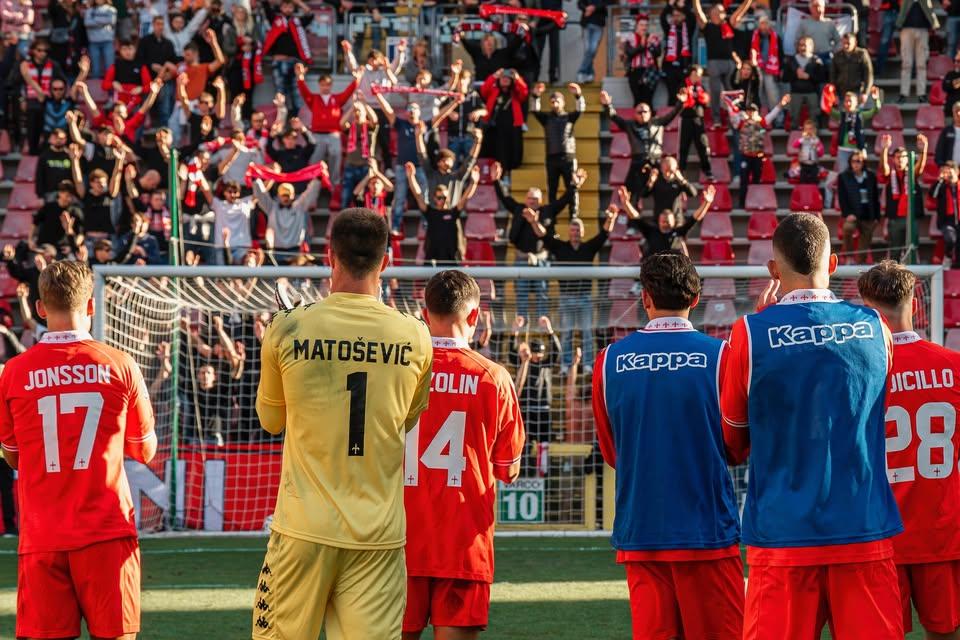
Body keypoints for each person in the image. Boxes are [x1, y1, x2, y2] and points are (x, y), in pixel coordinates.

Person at [251, 208, 432, 639]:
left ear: (329, 256)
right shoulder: (416, 336)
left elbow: (271, 420)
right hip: (378, 536)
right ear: (386, 262)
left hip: (302, 530)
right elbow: (405, 420)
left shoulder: (289, 328)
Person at [721, 213, 903, 639]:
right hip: (862, 526)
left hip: (782, 534)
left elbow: (732, 439)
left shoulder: (750, 332)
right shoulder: (876, 327)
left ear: (773, 269)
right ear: (833, 264)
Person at [0, 259, 156, 639]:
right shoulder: (120, 364)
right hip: (107, 533)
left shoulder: (14, 372)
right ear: (91, 305)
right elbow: (145, 451)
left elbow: (12, 456)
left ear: (40, 308)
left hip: (42, 537)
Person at [593, 251, 743, 640]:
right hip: (706, 531)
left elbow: (613, 453)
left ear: (645, 297)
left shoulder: (608, 361)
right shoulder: (721, 356)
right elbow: (737, 446)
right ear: (696, 298)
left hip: (641, 529)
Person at [402, 270, 525, 640]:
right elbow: (508, 470)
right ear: (475, 315)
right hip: (463, 543)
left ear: (425, 313)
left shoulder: (398, 372)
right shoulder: (494, 378)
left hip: (398, 541)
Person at [857, 261, 960, 640]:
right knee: (945, 633)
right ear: (915, 305)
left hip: (881, 533)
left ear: (867, 312)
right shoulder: (954, 366)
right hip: (942, 529)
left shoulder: (858, 373)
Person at [530, 206, 617, 373]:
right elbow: (543, 235)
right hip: (566, 298)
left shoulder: (588, 248)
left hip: (585, 298)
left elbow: (604, 234)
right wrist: (534, 222)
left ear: (582, 232)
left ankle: (588, 364)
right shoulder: (560, 247)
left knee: (587, 334)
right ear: (569, 232)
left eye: (578, 230)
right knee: (567, 334)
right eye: (573, 230)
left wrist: (611, 218)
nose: (575, 233)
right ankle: (565, 365)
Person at [599, 88, 683, 208]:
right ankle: (631, 217)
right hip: (638, 162)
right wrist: (608, 105)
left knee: (665, 187)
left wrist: (680, 102)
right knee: (629, 192)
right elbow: (614, 117)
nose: (643, 114)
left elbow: (672, 115)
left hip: (656, 162)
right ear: (635, 114)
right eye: (639, 112)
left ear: (650, 113)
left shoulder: (657, 123)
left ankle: (664, 215)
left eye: (645, 111)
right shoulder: (630, 125)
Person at [296, 62, 359, 210]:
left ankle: (334, 187)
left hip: (333, 134)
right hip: (317, 135)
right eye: (323, 84)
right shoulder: (314, 99)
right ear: (319, 85)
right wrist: (300, 78)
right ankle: (312, 192)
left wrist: (357, 79)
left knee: (336, 154)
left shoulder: (337, 99)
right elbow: (304, 92)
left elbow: (349, 92)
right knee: (314, 161)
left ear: (331, 86)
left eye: (328, 85)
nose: (325, 87)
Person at [406, 162, 479, 264]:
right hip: (432, 257)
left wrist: (474, 183)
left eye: (444, 197)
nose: (442, 200)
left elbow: (465, 197)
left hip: (451, 256)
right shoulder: (430, 212)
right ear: (434, 198)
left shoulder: (453, 212)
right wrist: (411, 177)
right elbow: (418, 195)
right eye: (439, 197)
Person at [530, 81, 584, 218]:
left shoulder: (569, 118)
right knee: (552, 189)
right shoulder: (547, 118)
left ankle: (574, 213)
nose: (555, 104)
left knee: (572, 186)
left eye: (557, 101)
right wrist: (536, 96)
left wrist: (578, 95)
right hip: (551, 158)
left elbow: (580, 110)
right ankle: (551, 216)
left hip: (568, 157)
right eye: (552, 101)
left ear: (563, 103)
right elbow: (535, 111)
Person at [692, 0, 753, 121]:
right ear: (711, 14)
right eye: (716, 12)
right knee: (715, 92)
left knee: (732, 92)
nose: (719, 14)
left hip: (729, 63)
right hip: (714, 63)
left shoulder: (728, 24)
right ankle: (716, 119)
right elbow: (698, 13)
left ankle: (734, 118)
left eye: (721, 12)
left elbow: (740, 11)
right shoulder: (707, 26)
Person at [624, 183, 717, 256]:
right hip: (655, 270)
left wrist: (707, 203)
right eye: (663, 221)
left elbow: (695, 218)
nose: (665, 223)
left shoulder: (679, 232)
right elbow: (635, 217)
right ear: (659, 221)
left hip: (674, 271)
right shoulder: (651, 231)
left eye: (668, 221)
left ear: (674, 222)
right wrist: (626, 203)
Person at [731, 96, 789, 209]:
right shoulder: (741, 122)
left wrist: (781, 104)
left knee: (756, 180)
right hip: (745, 155)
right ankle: (742, 203)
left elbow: (772, 114)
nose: (750, 113)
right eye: (749, 111)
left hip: (757, 156)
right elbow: (733, 114)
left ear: (756, 112)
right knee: (744, 181)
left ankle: (754, 201)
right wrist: (732, 103)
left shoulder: (761, 122)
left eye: (752, 111)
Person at [881, 133, 928, 263]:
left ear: (908, 159)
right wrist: (884, 149)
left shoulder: (912, 174)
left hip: (911, 218)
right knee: (895, 251)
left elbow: (920, 168)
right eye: (897, 157)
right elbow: (884, 169)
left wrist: (923, 151)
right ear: (893, 159)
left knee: (912, 249)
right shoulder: (891, 175)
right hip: (895, 219)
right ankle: (894, 274)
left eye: (903, 157)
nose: (900, 160)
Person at [262, 0, 314, 113]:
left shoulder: (298, 22)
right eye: (285, 6)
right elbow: (266, 6)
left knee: (297, 92)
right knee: (280, 92)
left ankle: (296, 118)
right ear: (281, 8)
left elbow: (310, 14)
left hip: (295, 62)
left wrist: (298, 2)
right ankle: (282, 117)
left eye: (290, 7)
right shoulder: (275, 20)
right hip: (279, 62)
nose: (287, 9)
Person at [837, 150, 881, 263]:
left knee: (865, 242)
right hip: (852, 214)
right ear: (850, 162)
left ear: (863, 163)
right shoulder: (843, 177)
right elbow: (842, 198)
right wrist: (848, 214)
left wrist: (877, 217)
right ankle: (849, 257)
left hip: (868, 214)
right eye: (853, 161)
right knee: (847, 228)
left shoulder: (871, 176)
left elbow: (875, 197)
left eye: (859, 161)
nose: (856, 164)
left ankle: (860, 264)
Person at [782, 36, 826, 130]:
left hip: (812, 92)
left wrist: (809, 76)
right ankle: (794, 137)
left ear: (811, 46)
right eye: (800, 45)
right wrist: (795, 75)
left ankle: (813, 136)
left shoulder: (816, 60)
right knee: (794, 119)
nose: (802, 48)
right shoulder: (791, 60)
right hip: (796, 93)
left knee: (814, 118)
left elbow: (822, 78)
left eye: (805, 45)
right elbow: (784, 78)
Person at [897, 0, 938, 103]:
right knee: (906, 64)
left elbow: (929, 11)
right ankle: (903, 93)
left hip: (922, 30)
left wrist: (933, 24)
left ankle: (921, 94)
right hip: (906, 30)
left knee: (921, 64)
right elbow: (902, 12)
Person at [677, 65, 711, 176]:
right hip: (686, 119)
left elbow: (706, 101)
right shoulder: (683, 85)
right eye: (698, 74)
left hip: (698, 119)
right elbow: (681, 101)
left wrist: (702, 97)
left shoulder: (701, 86)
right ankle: (681, 171)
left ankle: (707, 170)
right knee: (684, 146)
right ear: (692, 73)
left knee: (702, 145)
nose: (700, 77)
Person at [660, 0, 696, 104]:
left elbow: (692, 17)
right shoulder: (669, 29)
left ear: (683, 16)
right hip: (670, 67)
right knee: (672, 95)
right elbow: (662, 18)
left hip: (684, 67)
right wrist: (669, 5)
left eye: (678, 15)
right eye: (674, 15)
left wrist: (683, 7)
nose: (675, 18)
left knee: (683, 94)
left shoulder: (688, 28)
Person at [622, 14, 661, 108]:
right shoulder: (630, 37)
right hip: (635, 71)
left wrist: (650, 46)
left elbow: (658, 53)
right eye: (641, 25)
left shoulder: (653, 38)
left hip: (649, 71)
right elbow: (629, 53)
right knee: (637, 99)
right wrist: (642, 46)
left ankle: (650, 117)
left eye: (646, 25)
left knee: (648, 99)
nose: (644, 27)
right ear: (637, 25)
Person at [751, 13, 781, 114]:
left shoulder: (775, 37)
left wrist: (781, 69)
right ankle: (759, 117)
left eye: (766, 23)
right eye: (762, 23)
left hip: (771, 69)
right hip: (757, 68)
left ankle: (777, 118)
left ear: (769, 25)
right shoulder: (754, 36)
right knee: (757, 93)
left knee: (773, 94)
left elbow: (780, 53)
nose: (764, 26)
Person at [932, 161, 960, 268]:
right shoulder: (942, 187)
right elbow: (933, 195)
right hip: (947, 221)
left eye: (950, 171)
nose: (948, 174)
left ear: (956, 172)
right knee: (950, 239)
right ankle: (947, 257)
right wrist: (939, 181)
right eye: (946, 172)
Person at [576, 0, 611, 83]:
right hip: (587, 23)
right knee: (588, 50)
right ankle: (589, 73)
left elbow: (608, 3)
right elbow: (579, 3)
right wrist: (586, 8)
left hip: (599, 24)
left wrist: (594, 8)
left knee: (592, 50)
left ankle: (582, 71)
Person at [830, 32, 873, 100]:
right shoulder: (837, 56)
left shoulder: (862, 54)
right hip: (841, 92)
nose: (845, 46)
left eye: (848, 43)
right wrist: (834, 93)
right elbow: (833, 75)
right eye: (844, 43)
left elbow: (868, 74)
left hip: (857, 91)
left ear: (855, 43)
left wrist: (865, 92)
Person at [936, 102, 960, 167]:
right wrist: (943, 165)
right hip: (950, 169)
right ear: (953, 113)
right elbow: (939, 153)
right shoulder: (946, 131)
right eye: (956, 111)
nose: (959, 113)